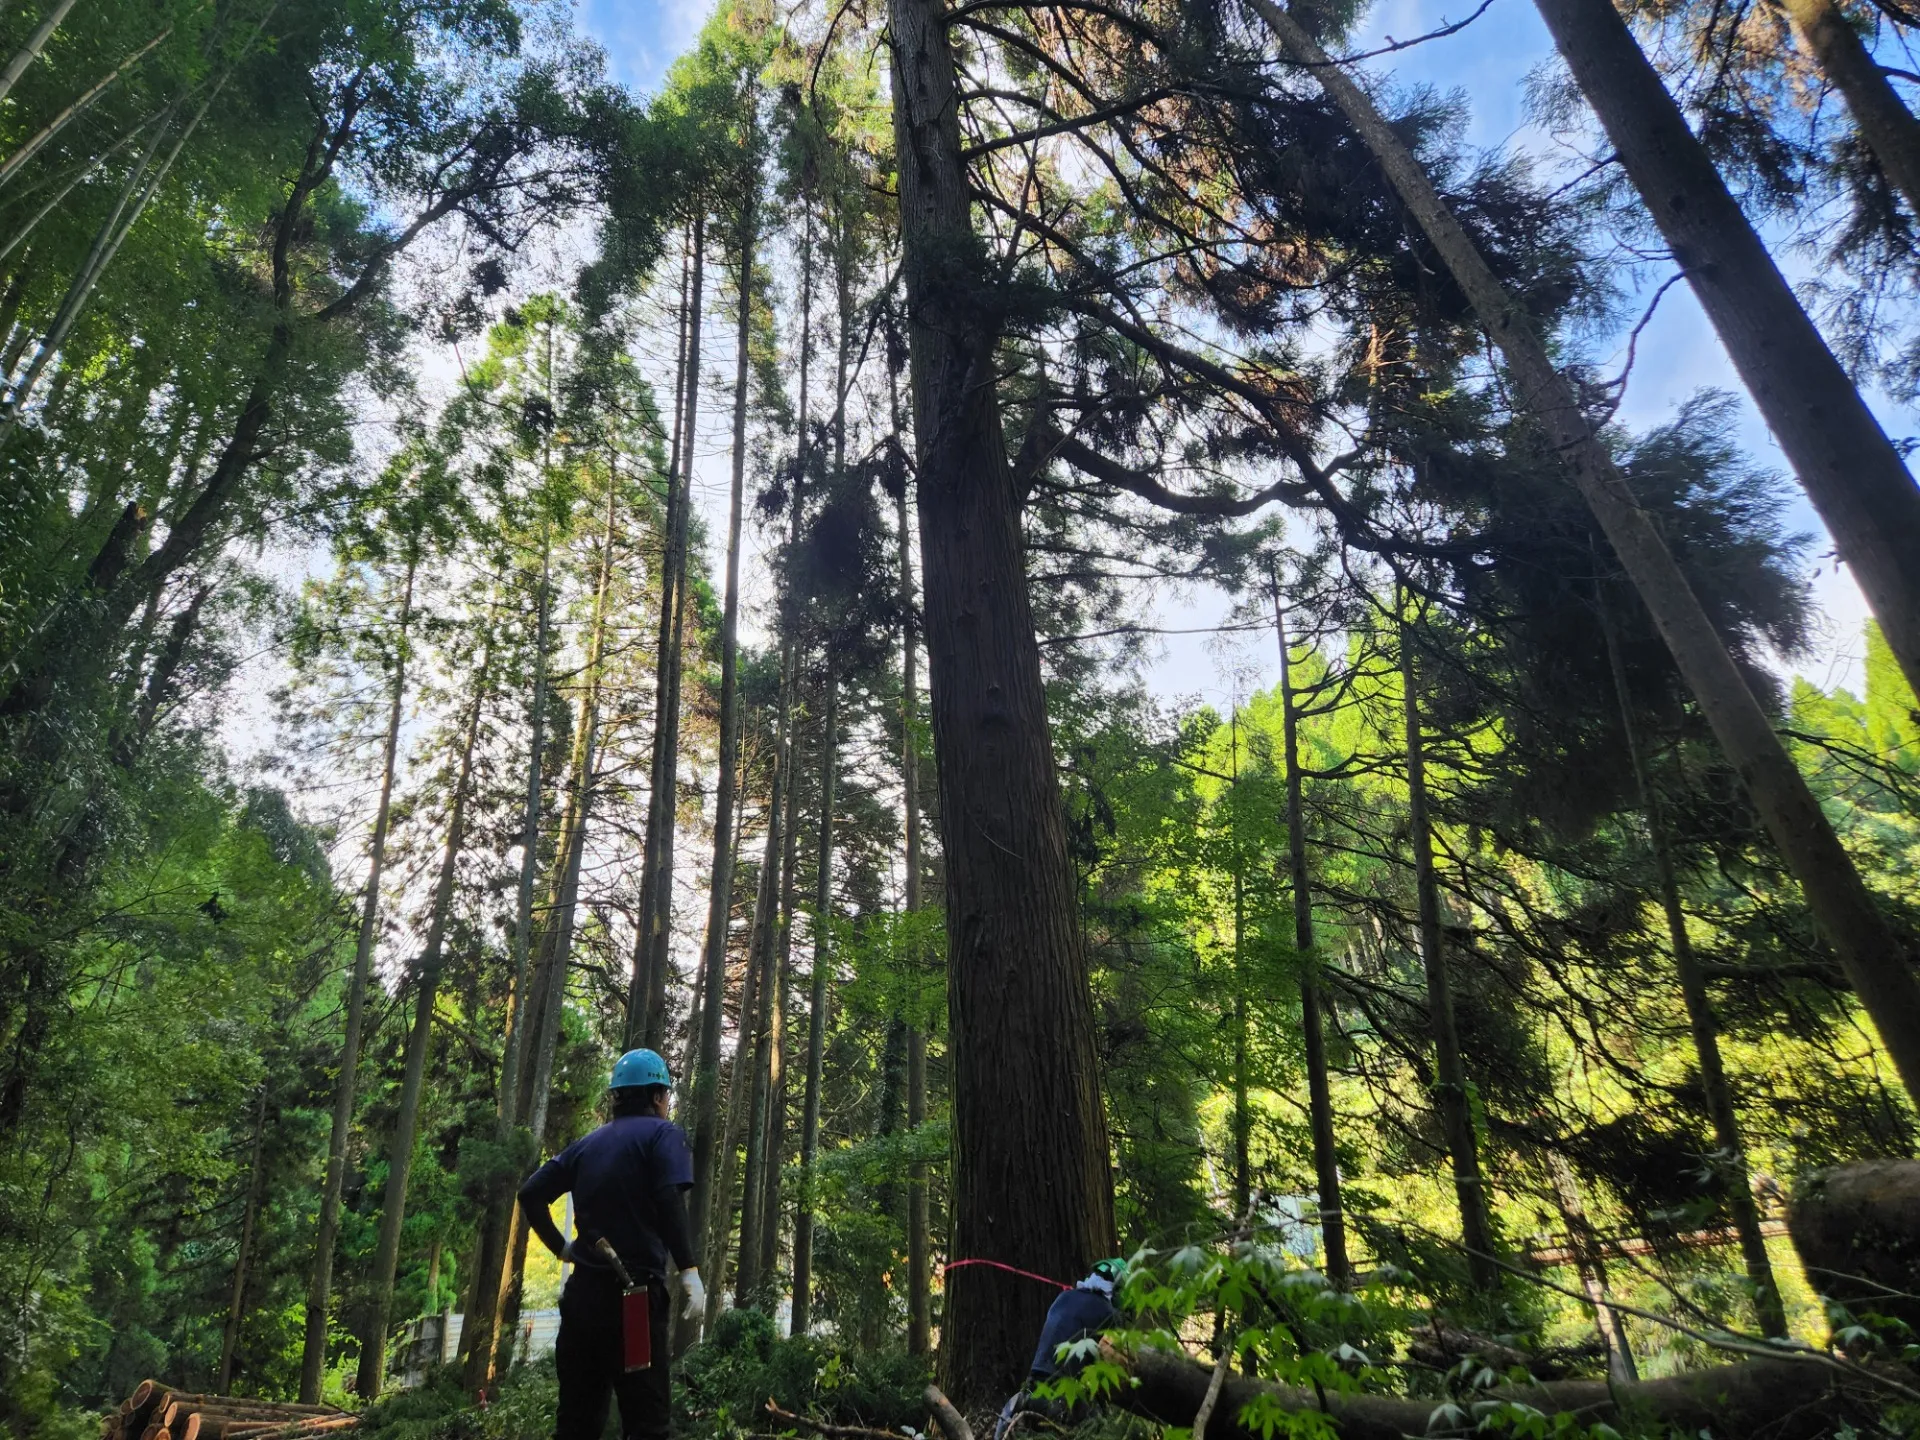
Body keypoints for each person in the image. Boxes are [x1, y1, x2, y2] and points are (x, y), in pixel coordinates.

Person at [518, 1048, 706, 1440]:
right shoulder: (663, 1134)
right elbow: (669, 1199)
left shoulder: (587, 1144)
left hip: (582, 1302)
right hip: (632, 1304)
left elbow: (531, 1193)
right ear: (656, 1096)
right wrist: (688, 1270)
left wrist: (562, 1249)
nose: (668, 1104)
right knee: (648, 1426)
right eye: (667, 1096)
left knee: (576, 1424)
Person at [993, 1260, 1127, 1440]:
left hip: (1030, 1390)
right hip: (1061, 1398)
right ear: (1117, 1289)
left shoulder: (1063, 1298)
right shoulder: (1108, 1314)